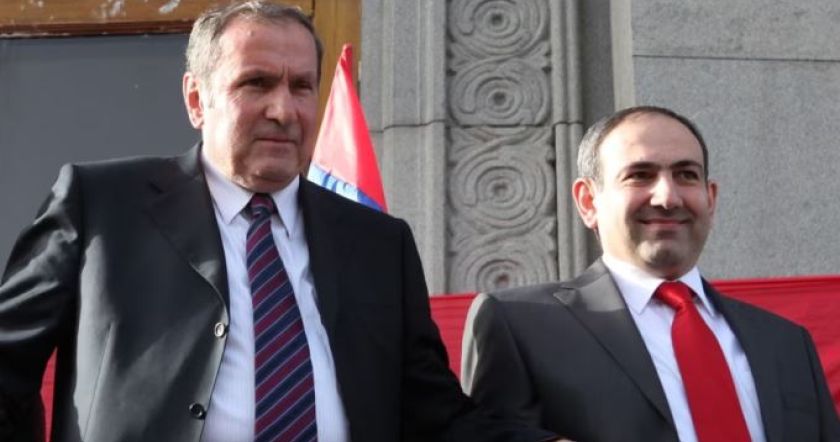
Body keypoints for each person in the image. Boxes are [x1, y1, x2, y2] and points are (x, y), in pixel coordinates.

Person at [0, 2, 557, 441]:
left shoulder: (378, 244)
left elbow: (435, 415)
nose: (284, 111)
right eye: (256, 83)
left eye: (302, 86)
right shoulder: (103, 206)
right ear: (196, 99)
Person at [461, 105, 840, 442]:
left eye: (686, 175)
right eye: (640, 175)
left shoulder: (787, 344)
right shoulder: (518, 326)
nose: (668, 197)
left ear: (711, 198)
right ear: (588, 201)